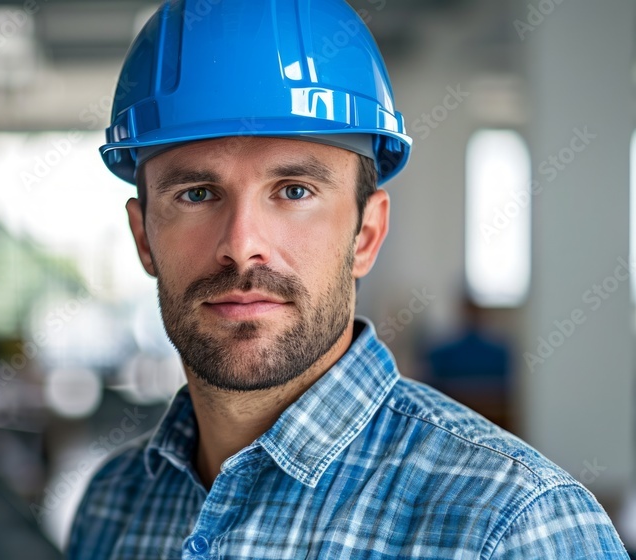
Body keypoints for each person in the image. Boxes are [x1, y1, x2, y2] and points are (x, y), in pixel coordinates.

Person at [67, 0, 628, 558]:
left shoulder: (515, 527)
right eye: (196, 194)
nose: (241, 246)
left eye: (293, 191)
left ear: (366, 234)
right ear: (144, 238)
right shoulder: (115, 502)